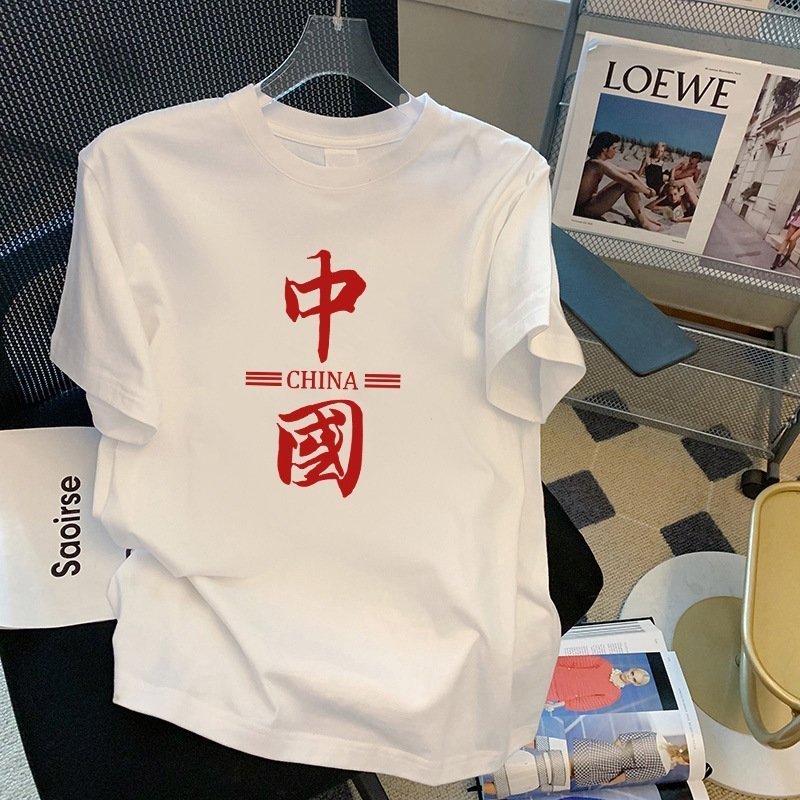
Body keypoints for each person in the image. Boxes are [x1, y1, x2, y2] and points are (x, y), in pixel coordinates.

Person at [574, 131, 662, 231]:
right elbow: (630, 183)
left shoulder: (599, 162)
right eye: (614, 148)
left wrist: (646, 188)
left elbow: (630, 173)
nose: (616, 151)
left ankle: (644, 218)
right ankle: (644, 222)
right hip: (584, 209)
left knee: (628, 178)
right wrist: (648, 192)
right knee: (626, 184)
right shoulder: (597, 164)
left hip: (590, 202)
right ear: (604, 149)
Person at [571, 731, 689, 787]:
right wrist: (610, 782)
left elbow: (623, 738)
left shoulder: (657, 737)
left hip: (605, 750)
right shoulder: (663, 768)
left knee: (572, 759)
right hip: (610, 769)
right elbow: (629, 774)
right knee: (571, 774)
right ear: (684, 762)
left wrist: (612, 751)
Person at [544, 655, 651, 712]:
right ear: (631, 669)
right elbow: (575, 661)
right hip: (552, 671)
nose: (629, 676)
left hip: (553, 692)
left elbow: (584, 704)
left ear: (635, 684)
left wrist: (556, 705)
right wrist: (550, 662)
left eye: (634, 679)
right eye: (632, 673)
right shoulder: (605, 664)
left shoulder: (613, 695)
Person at [772, 202, 800, 269]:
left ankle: (788, 255)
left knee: (793, 239)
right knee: (787, 238)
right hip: (797, 218)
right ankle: (777, 259)